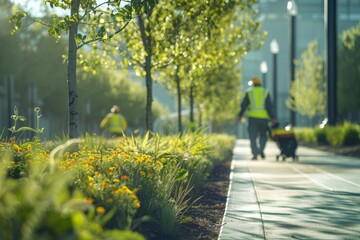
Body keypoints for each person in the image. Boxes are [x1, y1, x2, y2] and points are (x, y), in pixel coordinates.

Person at [238, 76, 278, 160]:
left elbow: (244, 105)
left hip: (252, 118)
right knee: (263, 135)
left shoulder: (249, 92)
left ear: (253, 84)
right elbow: (269, 107)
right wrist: (273, 118)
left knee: (253, 136)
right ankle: (261, 150)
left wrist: (240, 115)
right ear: (260, 83)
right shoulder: (265, 92)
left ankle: (255, 154)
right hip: (263, 118)